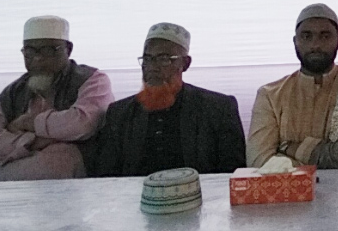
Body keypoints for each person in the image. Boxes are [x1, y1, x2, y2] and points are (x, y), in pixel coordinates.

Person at [90, 23, 246, 176]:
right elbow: (105, 179)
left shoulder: (218, 109)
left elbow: (233, 175)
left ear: (185, 63)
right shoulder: (119, 114)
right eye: (147, 59)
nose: (152, 67)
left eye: (164, 59)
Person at [0, 16, 114, 180]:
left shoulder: (92, 80)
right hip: (10, 193)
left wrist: (29, 123)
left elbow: (83, 123)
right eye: (29, 51)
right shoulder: (13, 92)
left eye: (48, 50)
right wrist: (34, 141)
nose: (38, 59)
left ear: (68, 49)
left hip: (76, 190)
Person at [247, 3, 338, 169]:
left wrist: (293, 149)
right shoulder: (270, 95)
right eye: (306, 36)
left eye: (325, 36)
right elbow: (259, 161)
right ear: (295, 42)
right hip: (291, 187)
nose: (315, 45)